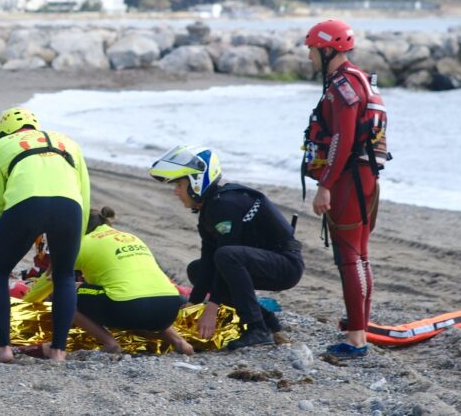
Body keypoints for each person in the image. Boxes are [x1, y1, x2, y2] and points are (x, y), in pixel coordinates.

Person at [149, 146, 304, 350]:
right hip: (262, 261)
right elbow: (208, 262)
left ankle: (256, 329)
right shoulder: (209, 208)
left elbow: (227, 256)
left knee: (226, 256)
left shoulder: (225, 205)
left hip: (286, 265)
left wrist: (211, 307)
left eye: (179, 183)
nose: (176, 191)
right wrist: (193, 302)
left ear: (197, 183)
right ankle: (266, 319)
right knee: (197, 269)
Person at [302, 18, 388, 359]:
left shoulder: (343, 86)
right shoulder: (359, 80)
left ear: (326, 50)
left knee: (349, 256)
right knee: (360, 254)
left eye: (311, 50)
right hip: (365, 175)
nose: (309, 57)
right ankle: (359, 325)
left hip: (350, 178)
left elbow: (342, 139)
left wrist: (325, 185)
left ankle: (356, 338)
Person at [0, 107, 90, 363]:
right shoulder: (69, 142)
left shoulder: (0, 147)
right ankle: (58, 352)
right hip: (69, 208)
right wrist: (76, 240)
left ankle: (4, 349)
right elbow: (84, 196)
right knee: (64, 275)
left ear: (4, 132)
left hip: (26, 205)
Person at [27, 207, 193, 356]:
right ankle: (179, 342)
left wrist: (24, 303)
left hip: (127, 307)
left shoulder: (84, 243)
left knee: (63, 292)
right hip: (169, 308)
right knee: (141, 295)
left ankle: (110, 343)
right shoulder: (130, 237)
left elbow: (49, 280)